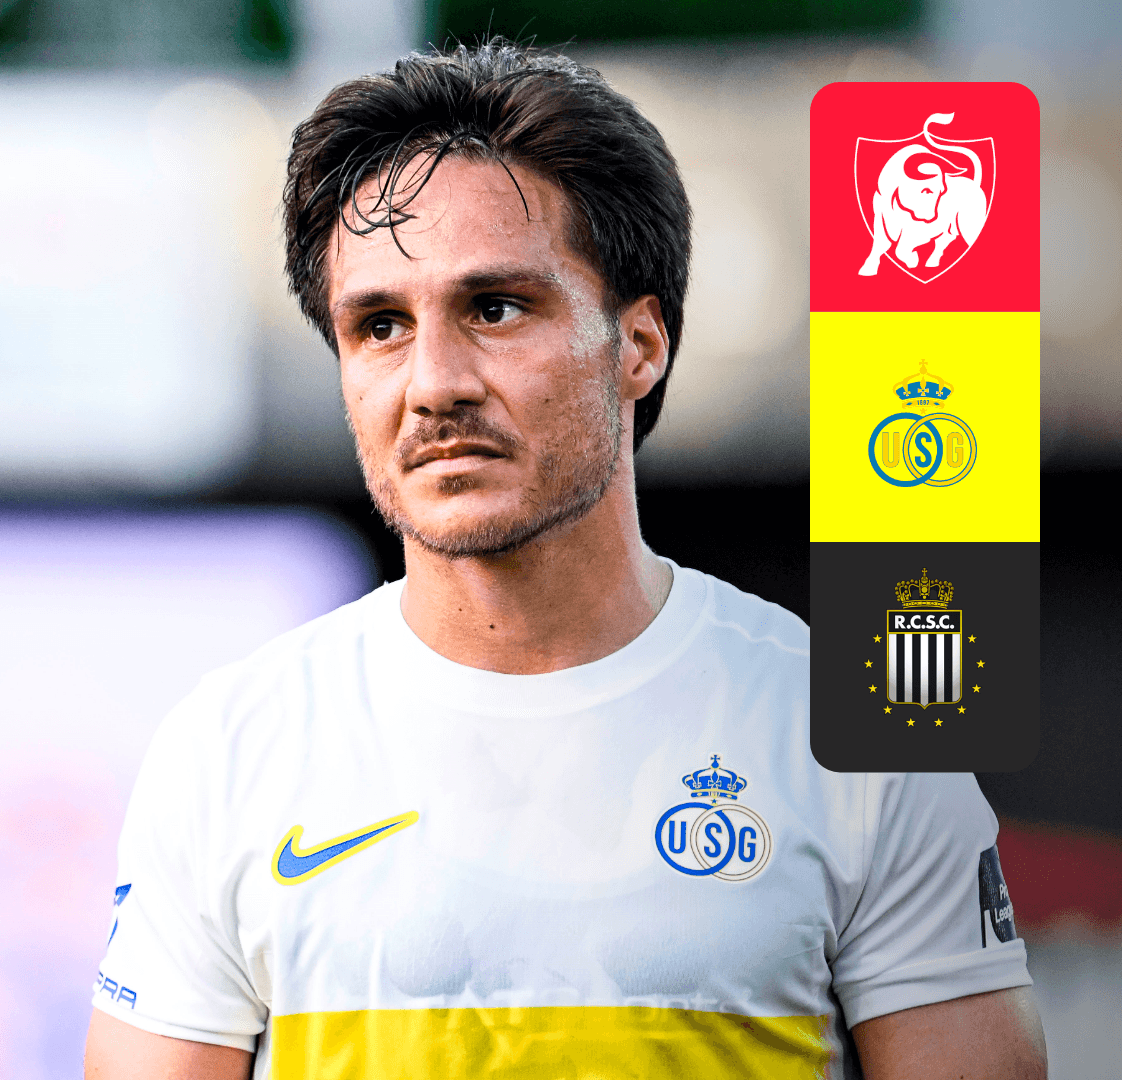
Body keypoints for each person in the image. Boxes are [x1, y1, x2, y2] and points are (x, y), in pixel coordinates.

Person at [81, 40, 1045, 1080]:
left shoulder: (856, 738)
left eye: (495, 309)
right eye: (381, 326)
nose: (434, 383)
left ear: (641, 345)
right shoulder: (231, 748)